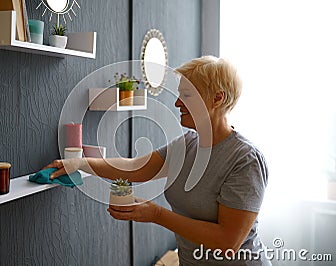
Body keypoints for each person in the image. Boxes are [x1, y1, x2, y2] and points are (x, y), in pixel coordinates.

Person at [44, 56, 271, 265]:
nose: (177, 103)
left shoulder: (245, 160)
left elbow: (227, 242)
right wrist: (79, 163)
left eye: (187, 95)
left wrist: (156, 214)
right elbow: (135, 167)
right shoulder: (187, 143)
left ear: (217, 98)